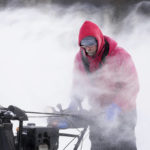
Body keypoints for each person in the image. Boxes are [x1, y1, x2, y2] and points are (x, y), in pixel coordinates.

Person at [69, 20, 139, 150]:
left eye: (91, 43)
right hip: (97, 113)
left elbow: (132, 86)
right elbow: (78, 83)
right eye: (84, 44)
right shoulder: (80, 58)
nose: (87, 47)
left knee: (123, 144)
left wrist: (116, 106)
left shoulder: (120, 56)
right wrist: (75, 100)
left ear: (98, 40)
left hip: (124, 112)